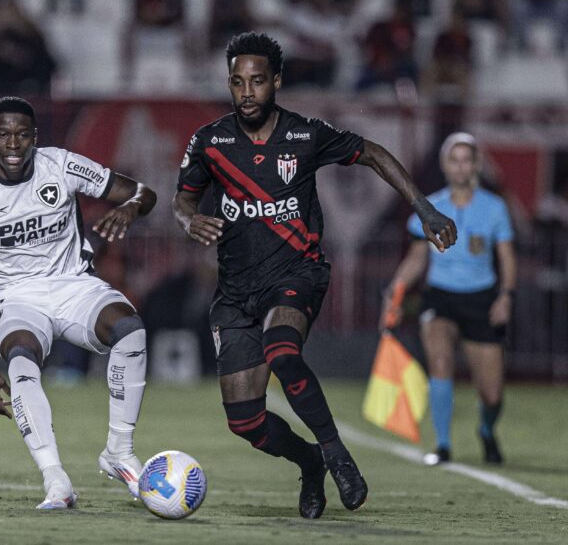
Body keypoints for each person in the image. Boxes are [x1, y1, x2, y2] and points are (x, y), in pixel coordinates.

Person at [171, 32, 457, 519]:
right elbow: (183, 198)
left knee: (282, 350)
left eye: (257, 81)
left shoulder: (305, 134)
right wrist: (188, 219)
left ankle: (336, 454)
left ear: (276, 81)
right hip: (236, 289)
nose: (246, 92)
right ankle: (309, 462)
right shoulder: (210, 141)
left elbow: (373, 153)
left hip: (297, 272)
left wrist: (424, 206)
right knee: (245, 420)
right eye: (238, 82)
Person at [0, 97, 157, 509]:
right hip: (16, 296)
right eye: (3, 134)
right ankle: (55, 478)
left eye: (22, 135)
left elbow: (142, 192)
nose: (13, 144)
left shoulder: (61, 165)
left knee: (131, 331)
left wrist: (131, 210)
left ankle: (119, 451)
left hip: (74, 285)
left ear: (34, 138)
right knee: (22, 358)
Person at [382, 132, 515, 465]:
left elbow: (507, 257)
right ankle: (442, 445)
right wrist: (395, 291)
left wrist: (506, 296)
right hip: (439, 297)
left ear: (476, 165)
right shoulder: (430, 207)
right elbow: (416, 257)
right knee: (440, 363)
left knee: (492, 394)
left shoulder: (495, 207)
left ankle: (486, 429)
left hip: (481, 299)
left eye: (466, 159)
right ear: (444, 165)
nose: (460, 166)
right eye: (454, 160)